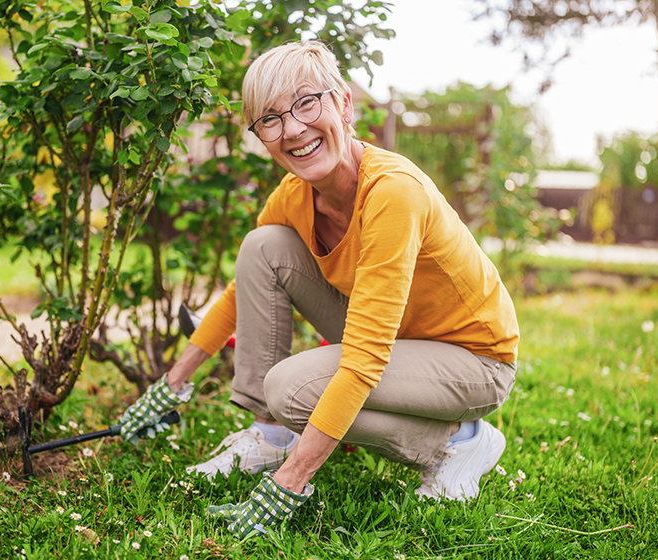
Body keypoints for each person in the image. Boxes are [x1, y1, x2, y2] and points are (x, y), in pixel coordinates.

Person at [117, 40, 519, 537]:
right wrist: (171, 383)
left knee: (292, 390)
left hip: (472, 359)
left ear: (344, 103)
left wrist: (289, 484)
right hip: (402, 341)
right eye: (270, 119)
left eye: (307, 103)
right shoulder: (294, 196)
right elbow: (241, 293)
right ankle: (270, 435)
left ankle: (458, 441)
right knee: (262, 245)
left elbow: (366, 356)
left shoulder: (392, 192)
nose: (293, 130)